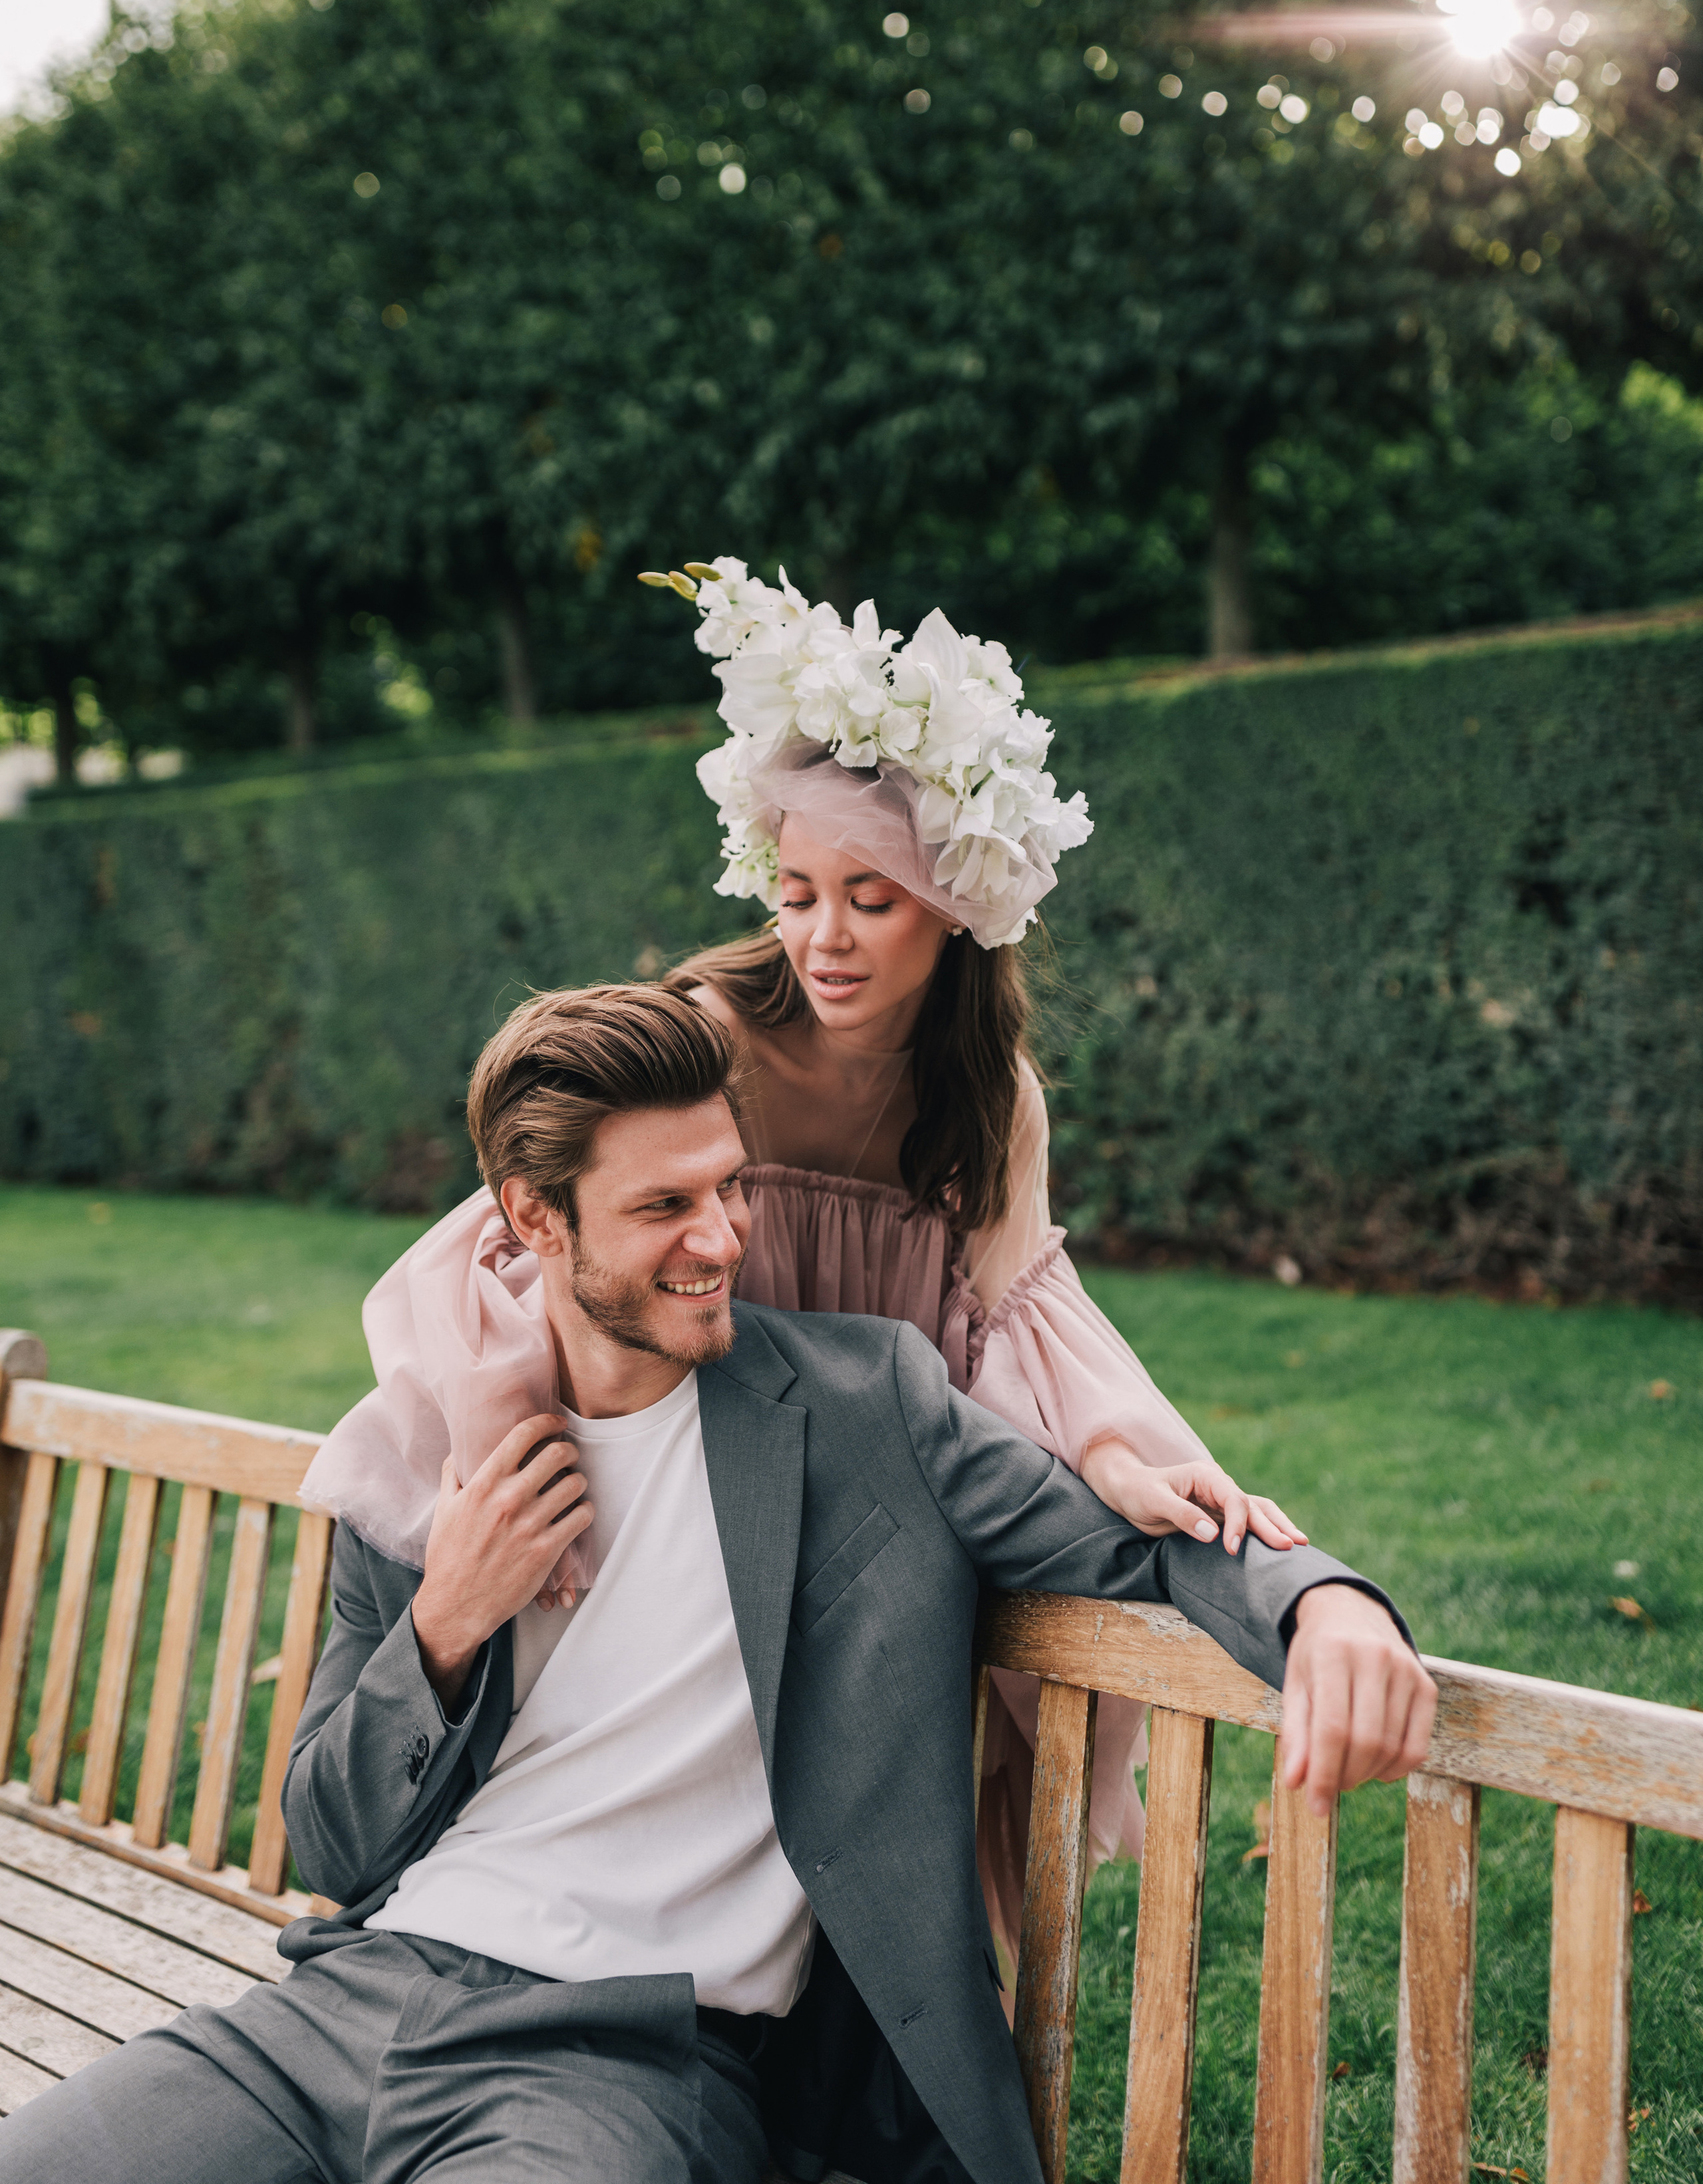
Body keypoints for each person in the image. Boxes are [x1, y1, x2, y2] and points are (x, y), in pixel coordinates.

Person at [0, 987, 1434, 2184]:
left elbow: (1136, 1539)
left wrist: (1325, 1605)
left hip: (622, 2065)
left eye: (728, 1185)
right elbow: (331, 1840)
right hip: (351, 2006)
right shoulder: (435, 1458)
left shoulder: (867, 1401)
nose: (724, 1237)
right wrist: (446, 1619)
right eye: (665, 1206)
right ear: (532, 1220)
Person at [651, 557, 1307, 1961]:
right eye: (797, 889)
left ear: (953, 902)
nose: (821, 936)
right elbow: (596, 1236)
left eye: (869, 899)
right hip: (701, 1473)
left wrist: (1118, 1454)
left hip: (892, 1501)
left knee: (904, 1786)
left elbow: (1015, 1315)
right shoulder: (704, 1032)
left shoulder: (988, 1097)